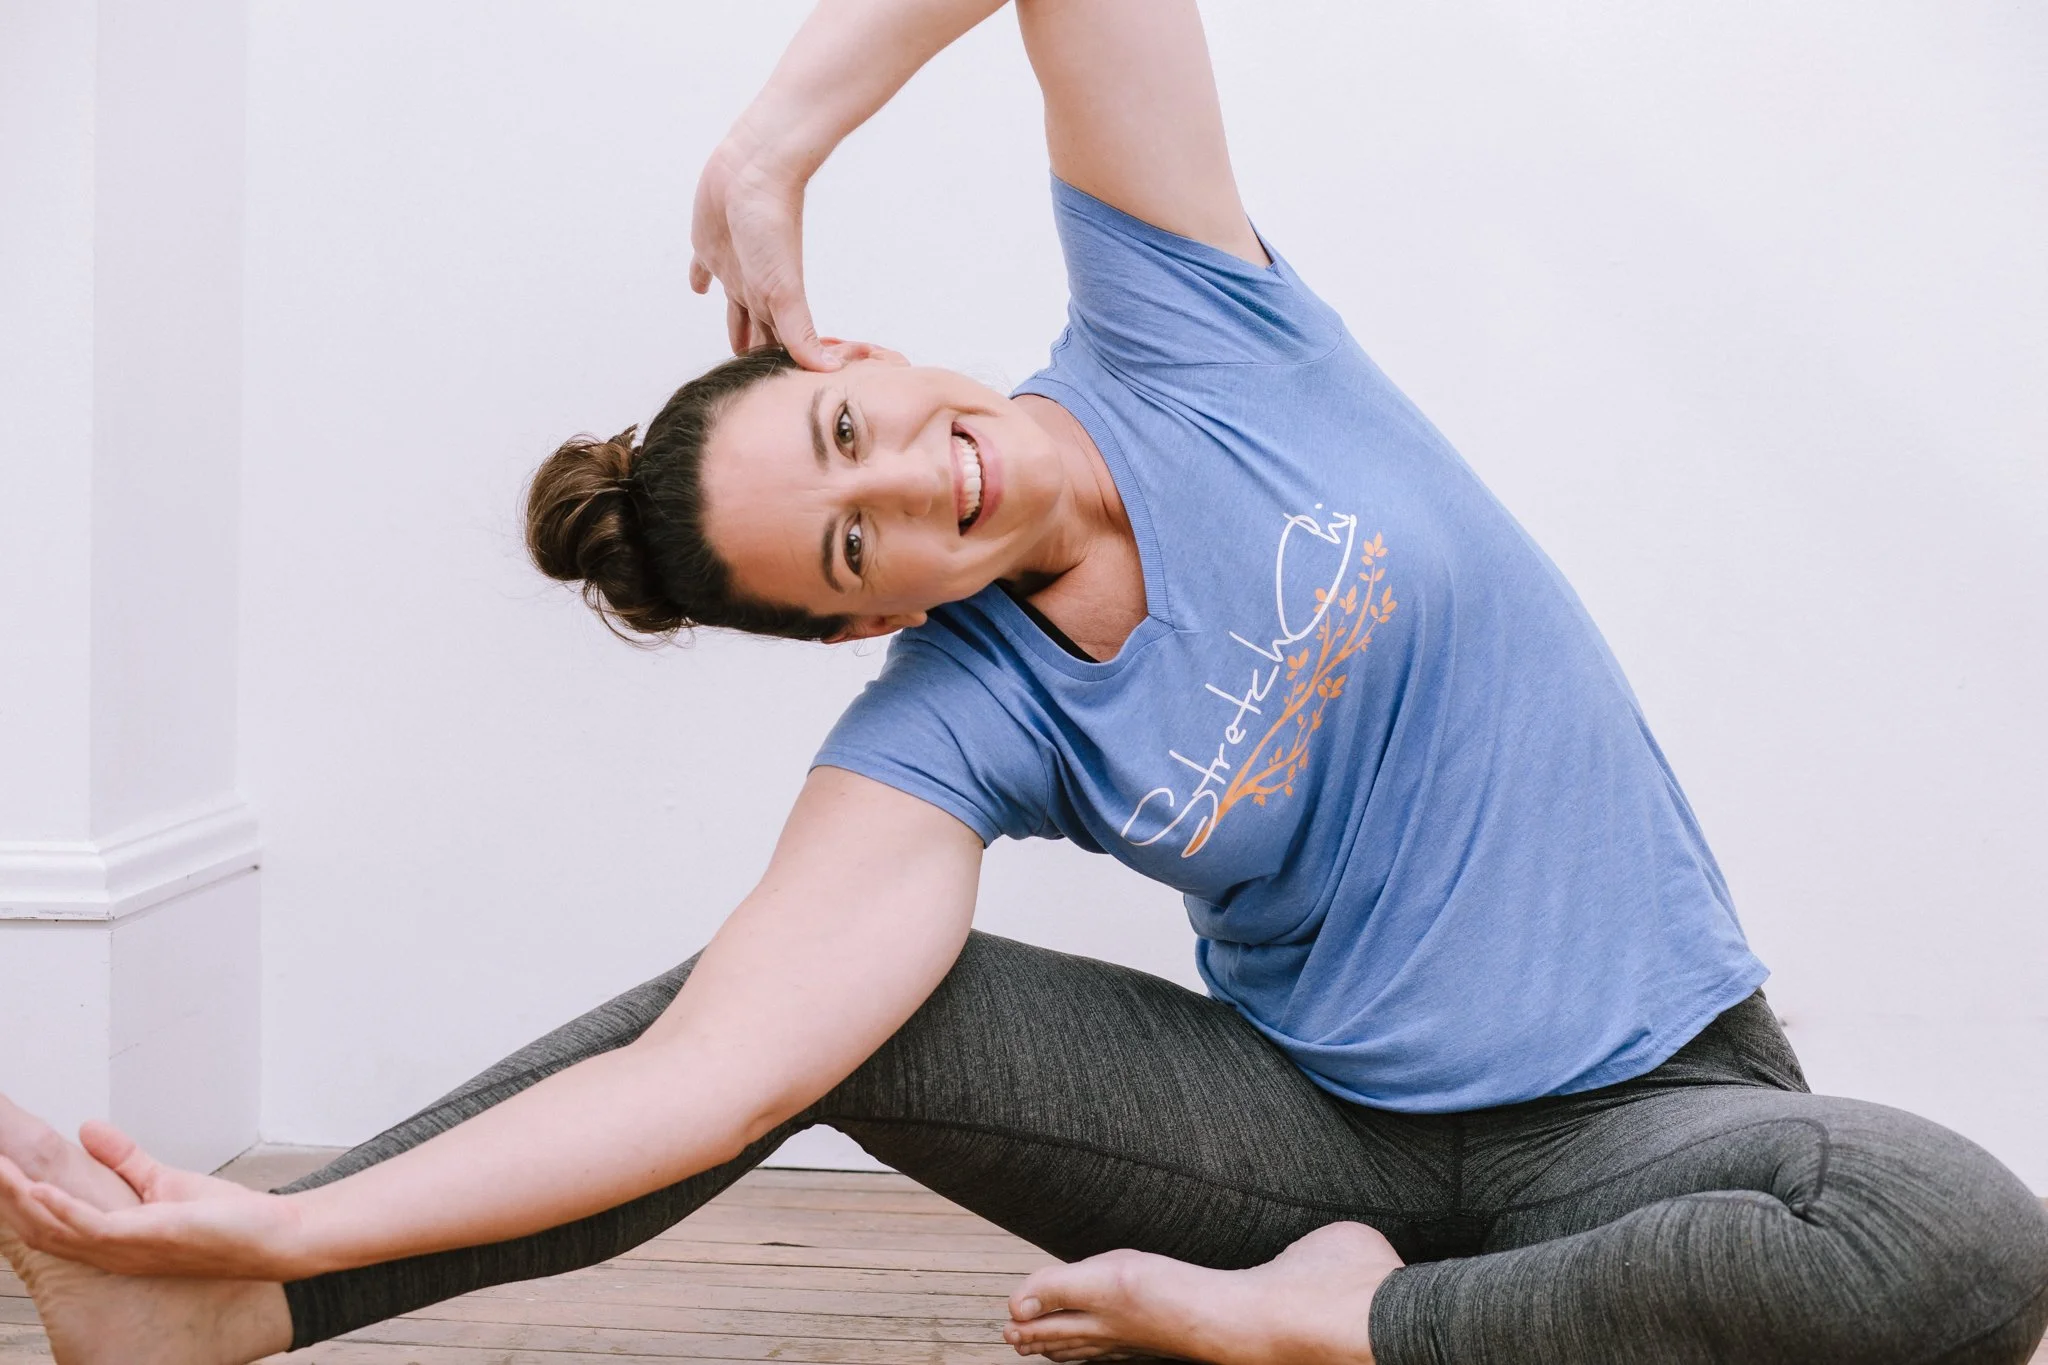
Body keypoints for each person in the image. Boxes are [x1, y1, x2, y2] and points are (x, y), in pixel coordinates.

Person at [4, 2, 2046, 1362]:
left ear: (861, 361)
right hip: (1314, 1136)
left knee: (1948, 1234)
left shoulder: (1186, 324)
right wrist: (276, 1237)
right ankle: (227, 1322)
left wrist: (774, 137)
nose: (904, 488)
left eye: (846, 440)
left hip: (1649, 1113)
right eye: (851, 547)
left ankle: (1329, 1329)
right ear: (861, 621)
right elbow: (695, 1081)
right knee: (798, 1000)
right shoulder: (961, 712)